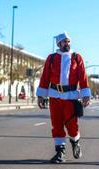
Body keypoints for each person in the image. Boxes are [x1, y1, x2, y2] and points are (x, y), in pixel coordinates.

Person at [36, 32, 91, 163]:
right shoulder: (51, 58)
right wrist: (41, 95)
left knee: (72, 125)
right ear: (59, 44)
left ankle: (75, 142)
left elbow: (83, 77)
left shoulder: (77, 57)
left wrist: (85, 95)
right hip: (54, 96)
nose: (67, 44)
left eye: (68, 41)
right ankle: (60, 153)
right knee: (57, 124)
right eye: (64, 42)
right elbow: (45, 77)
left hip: (71, 97)